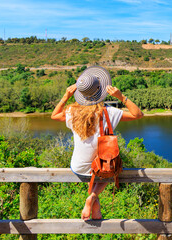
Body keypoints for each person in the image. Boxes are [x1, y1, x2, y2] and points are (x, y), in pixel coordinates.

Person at [51, 66, 143, 220]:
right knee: (112, 170)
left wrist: (66, 96)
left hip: (78, 168)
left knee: (93, 169)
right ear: (101, 91)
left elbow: (54, 115)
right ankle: (92, 197)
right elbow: (138, 114)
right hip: (102, 169)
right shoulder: (109, 112)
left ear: (80, 94)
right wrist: (122, 97)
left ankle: (95, 205)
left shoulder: (72, 112)